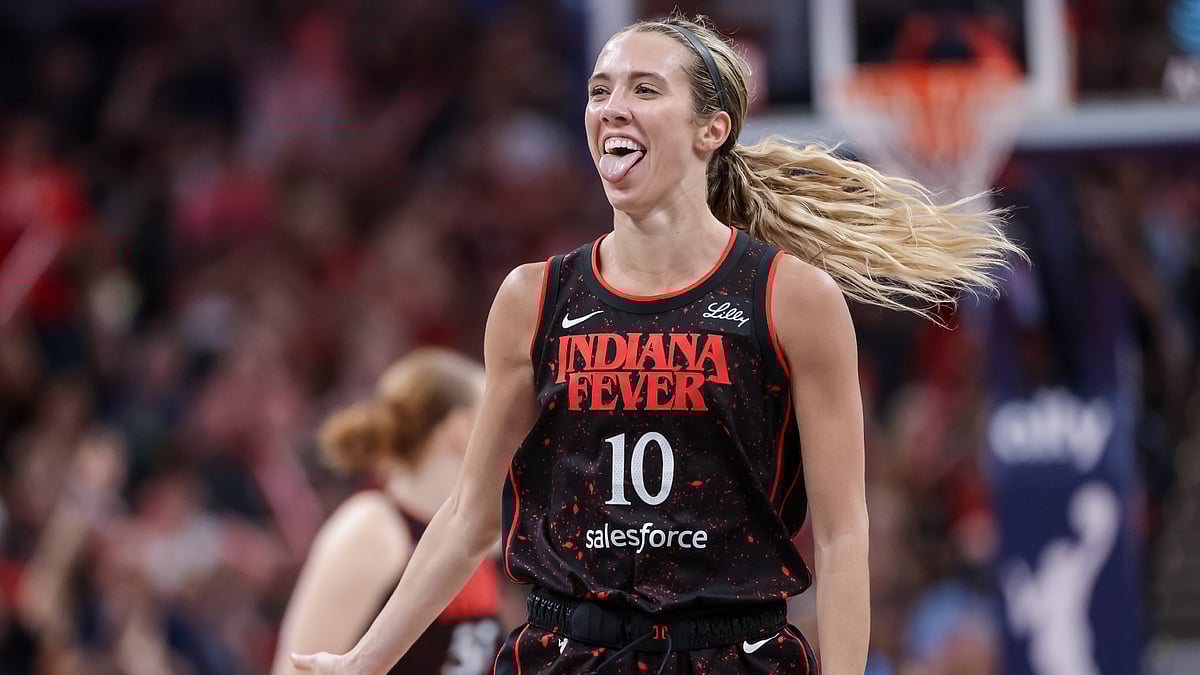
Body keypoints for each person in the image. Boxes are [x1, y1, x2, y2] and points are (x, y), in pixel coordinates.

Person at [292, 14, 1022, 675]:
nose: (613, 106)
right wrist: (363, 662)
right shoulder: (532, 298)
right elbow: (467, 518)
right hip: (568, 653)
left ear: (712, 129)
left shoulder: (792, 298)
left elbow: (841, 536)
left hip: (734, 653)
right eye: (599, 89)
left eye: (644, 88)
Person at [274, 348, 504, 675]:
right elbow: (296, 668)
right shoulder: (372, 529)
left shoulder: (477, 536)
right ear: (459, 427)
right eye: (494, 412)